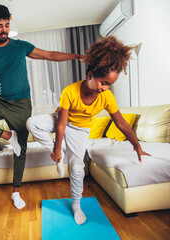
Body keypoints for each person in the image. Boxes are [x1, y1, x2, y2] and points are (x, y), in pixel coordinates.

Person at [0, 4, 85, 210]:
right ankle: (8, 137)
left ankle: (16, 192)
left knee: (20, 149)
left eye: (6, 25)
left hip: (22, 104)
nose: (3, 30)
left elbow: (50, 55)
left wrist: (77, 56)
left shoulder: (20, 46)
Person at [26, 36, 150, 225]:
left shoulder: (106, 97)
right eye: (103, 83)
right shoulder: (70, 91)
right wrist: (57, 149)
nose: (105, 88)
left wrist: (137, 145)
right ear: (90, 75)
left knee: (77, 168)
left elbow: (121, 123)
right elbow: (60, 124)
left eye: (109, 85)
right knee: (32, 123)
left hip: (80, 129)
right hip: (61, 120)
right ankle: (59, 155)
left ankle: (77, 205)